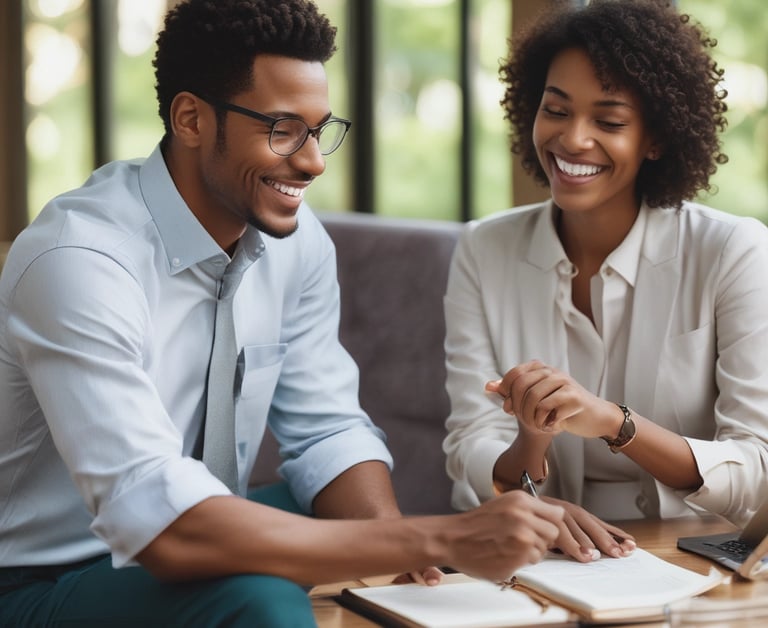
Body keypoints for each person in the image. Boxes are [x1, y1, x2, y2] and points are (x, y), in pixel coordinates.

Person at [0, 0, 568, 625]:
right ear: (191, 119)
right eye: (281, 129)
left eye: (320, 128)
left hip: (201, 526)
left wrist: (403, 554)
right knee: (261, 595)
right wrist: (434, 539)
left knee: (349, 513)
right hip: (50, 579)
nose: (314, 161)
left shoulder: (294, 243)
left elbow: (327, 430)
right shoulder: (78, 260)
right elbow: (156, 517)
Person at [443, 0, 768, 558]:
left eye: (610, 121)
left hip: (694, 555)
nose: (573, 140)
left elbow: (758, 472)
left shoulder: (731, 250)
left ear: (656, 139)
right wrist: (532, 441)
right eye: (556, 110)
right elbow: (469, 449)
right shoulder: (483, 247)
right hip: (544, 555)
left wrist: (613, 422)